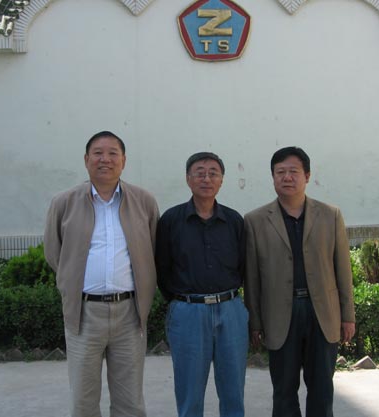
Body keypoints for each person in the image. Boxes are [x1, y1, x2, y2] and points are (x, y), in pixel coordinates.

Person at [44, 131, 159, 417]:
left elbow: (153, 249)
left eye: (112, 153)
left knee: (130, 402)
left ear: (123, 161)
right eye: (97, 153)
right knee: (83, 401)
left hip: (129, 314)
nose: (105, 159)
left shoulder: (144, 201)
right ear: (86, 160)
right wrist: (73, 281)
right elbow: (54, 254)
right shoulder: (64, 202)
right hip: (84, 314)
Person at [244, 146, 355, 417]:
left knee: (322, 389)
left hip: (322, 313)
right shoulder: (255, 221)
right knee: (283, 390)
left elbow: (343, 270)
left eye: (293, 171)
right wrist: (255, 322)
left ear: (307, 176)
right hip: (280, 315)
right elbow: (252, 278)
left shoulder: (330, 215)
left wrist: (347, 316)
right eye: (280, 172)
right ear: (273, 177)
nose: (287, 177)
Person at [156, 152, 248, 417]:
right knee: (190, 394)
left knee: (233, 392)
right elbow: (162, 268)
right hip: (188, 312)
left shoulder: (234, 221)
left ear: (221, 180)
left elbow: (244, 266)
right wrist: (182, 302)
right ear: (188, 179)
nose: (206, 179)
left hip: (230, 310)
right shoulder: (171, 220)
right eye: (199, 173)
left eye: (213, 173)